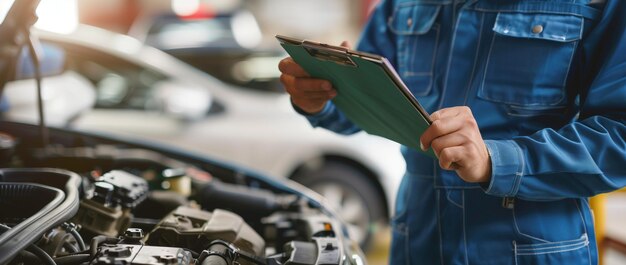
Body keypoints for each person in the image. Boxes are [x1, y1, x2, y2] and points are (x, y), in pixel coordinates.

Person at [278, 0, 626, 264]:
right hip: (416, 241)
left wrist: (498, 161)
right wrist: (322, 97)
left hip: (530, 250)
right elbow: (378, 101)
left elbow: (620, 136)